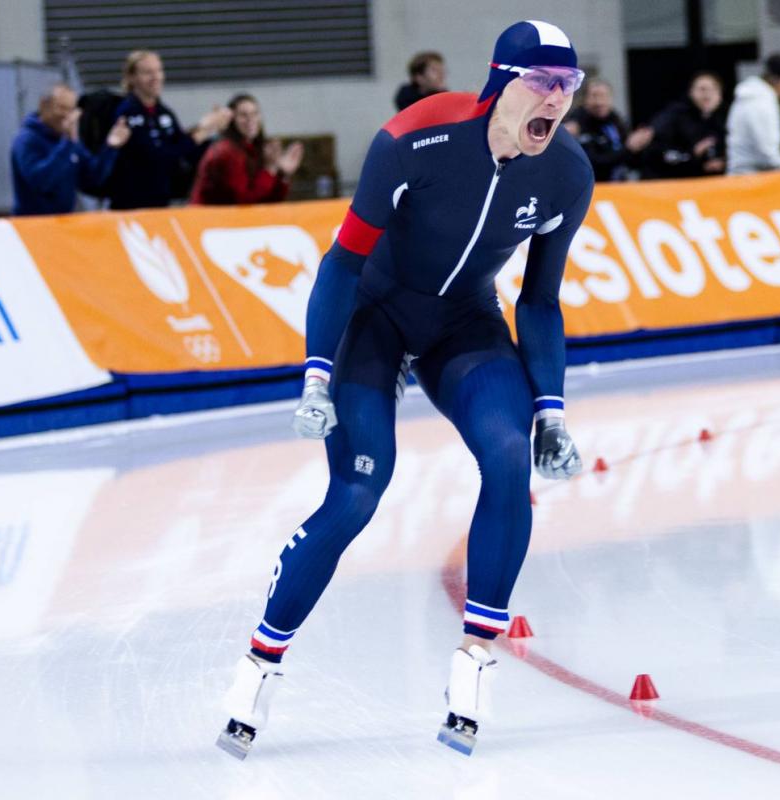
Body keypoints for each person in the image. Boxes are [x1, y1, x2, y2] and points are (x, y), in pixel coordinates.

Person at [217, 20, 593, 760]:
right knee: (360, 489)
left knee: (509, 456)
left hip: (466, 325)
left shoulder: (567, 172)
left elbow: (541, 299)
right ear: (503, 83)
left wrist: (551, 409)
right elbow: (343, 262)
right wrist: (316, 373)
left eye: (569, 86)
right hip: (377, 318)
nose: (558, 99)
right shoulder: (415, 138)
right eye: (544, 83)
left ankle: (475, 661)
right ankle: (259, 665)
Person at [105, 50, 232, 209]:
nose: (156, 77)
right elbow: (156, 157)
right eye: (147, 72)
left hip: (160, 203)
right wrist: (201, 131)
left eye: (159, 70)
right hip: (130, 206)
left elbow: (186, 152)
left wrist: (214, 130)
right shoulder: (126, 113)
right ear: (132, 77)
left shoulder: (164, 113)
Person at [10, 83, 131, 215]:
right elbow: (42, 182)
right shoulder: (27, 139)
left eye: (72, 110)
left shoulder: (69, 142)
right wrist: (67, 143)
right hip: (31, 223)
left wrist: (111, 147)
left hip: (64, 221)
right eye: (62, 108)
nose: (68, 116)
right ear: (44, 105)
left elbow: (93, 178)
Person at [190, 93, 304, 205]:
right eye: (243, 115)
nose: (250, 119)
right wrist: (270, 169)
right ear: (232, 120)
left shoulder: (253, 149)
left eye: (255, 113)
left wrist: (283, 175)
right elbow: (244, 201)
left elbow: (268, 202)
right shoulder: (226, 151)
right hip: (207, 216)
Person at [726, 54, 780, 174]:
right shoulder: (762, 101)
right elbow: (768, 155)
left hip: (743, 174)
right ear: (779, 80)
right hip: (752, 177)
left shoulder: (750, 97)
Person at [563, 77, 652, 181]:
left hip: (619, 183)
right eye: (594, 96)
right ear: (584, 100)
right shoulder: (575, 124)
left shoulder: (616, 120)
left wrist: (639, 144)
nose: (599, 102)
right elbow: (594, 163)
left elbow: (631, 160)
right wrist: (628, 148)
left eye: (604, 96)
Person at [644, 71, 727, 178]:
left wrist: (724, 163)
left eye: (713, 89)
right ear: (691, 92)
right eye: (702, 89)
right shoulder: (674, 116)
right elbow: (655, 154)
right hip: (678, 181)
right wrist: (692, 155)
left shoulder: (728, 118)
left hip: (719, 182)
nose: (707, 94)